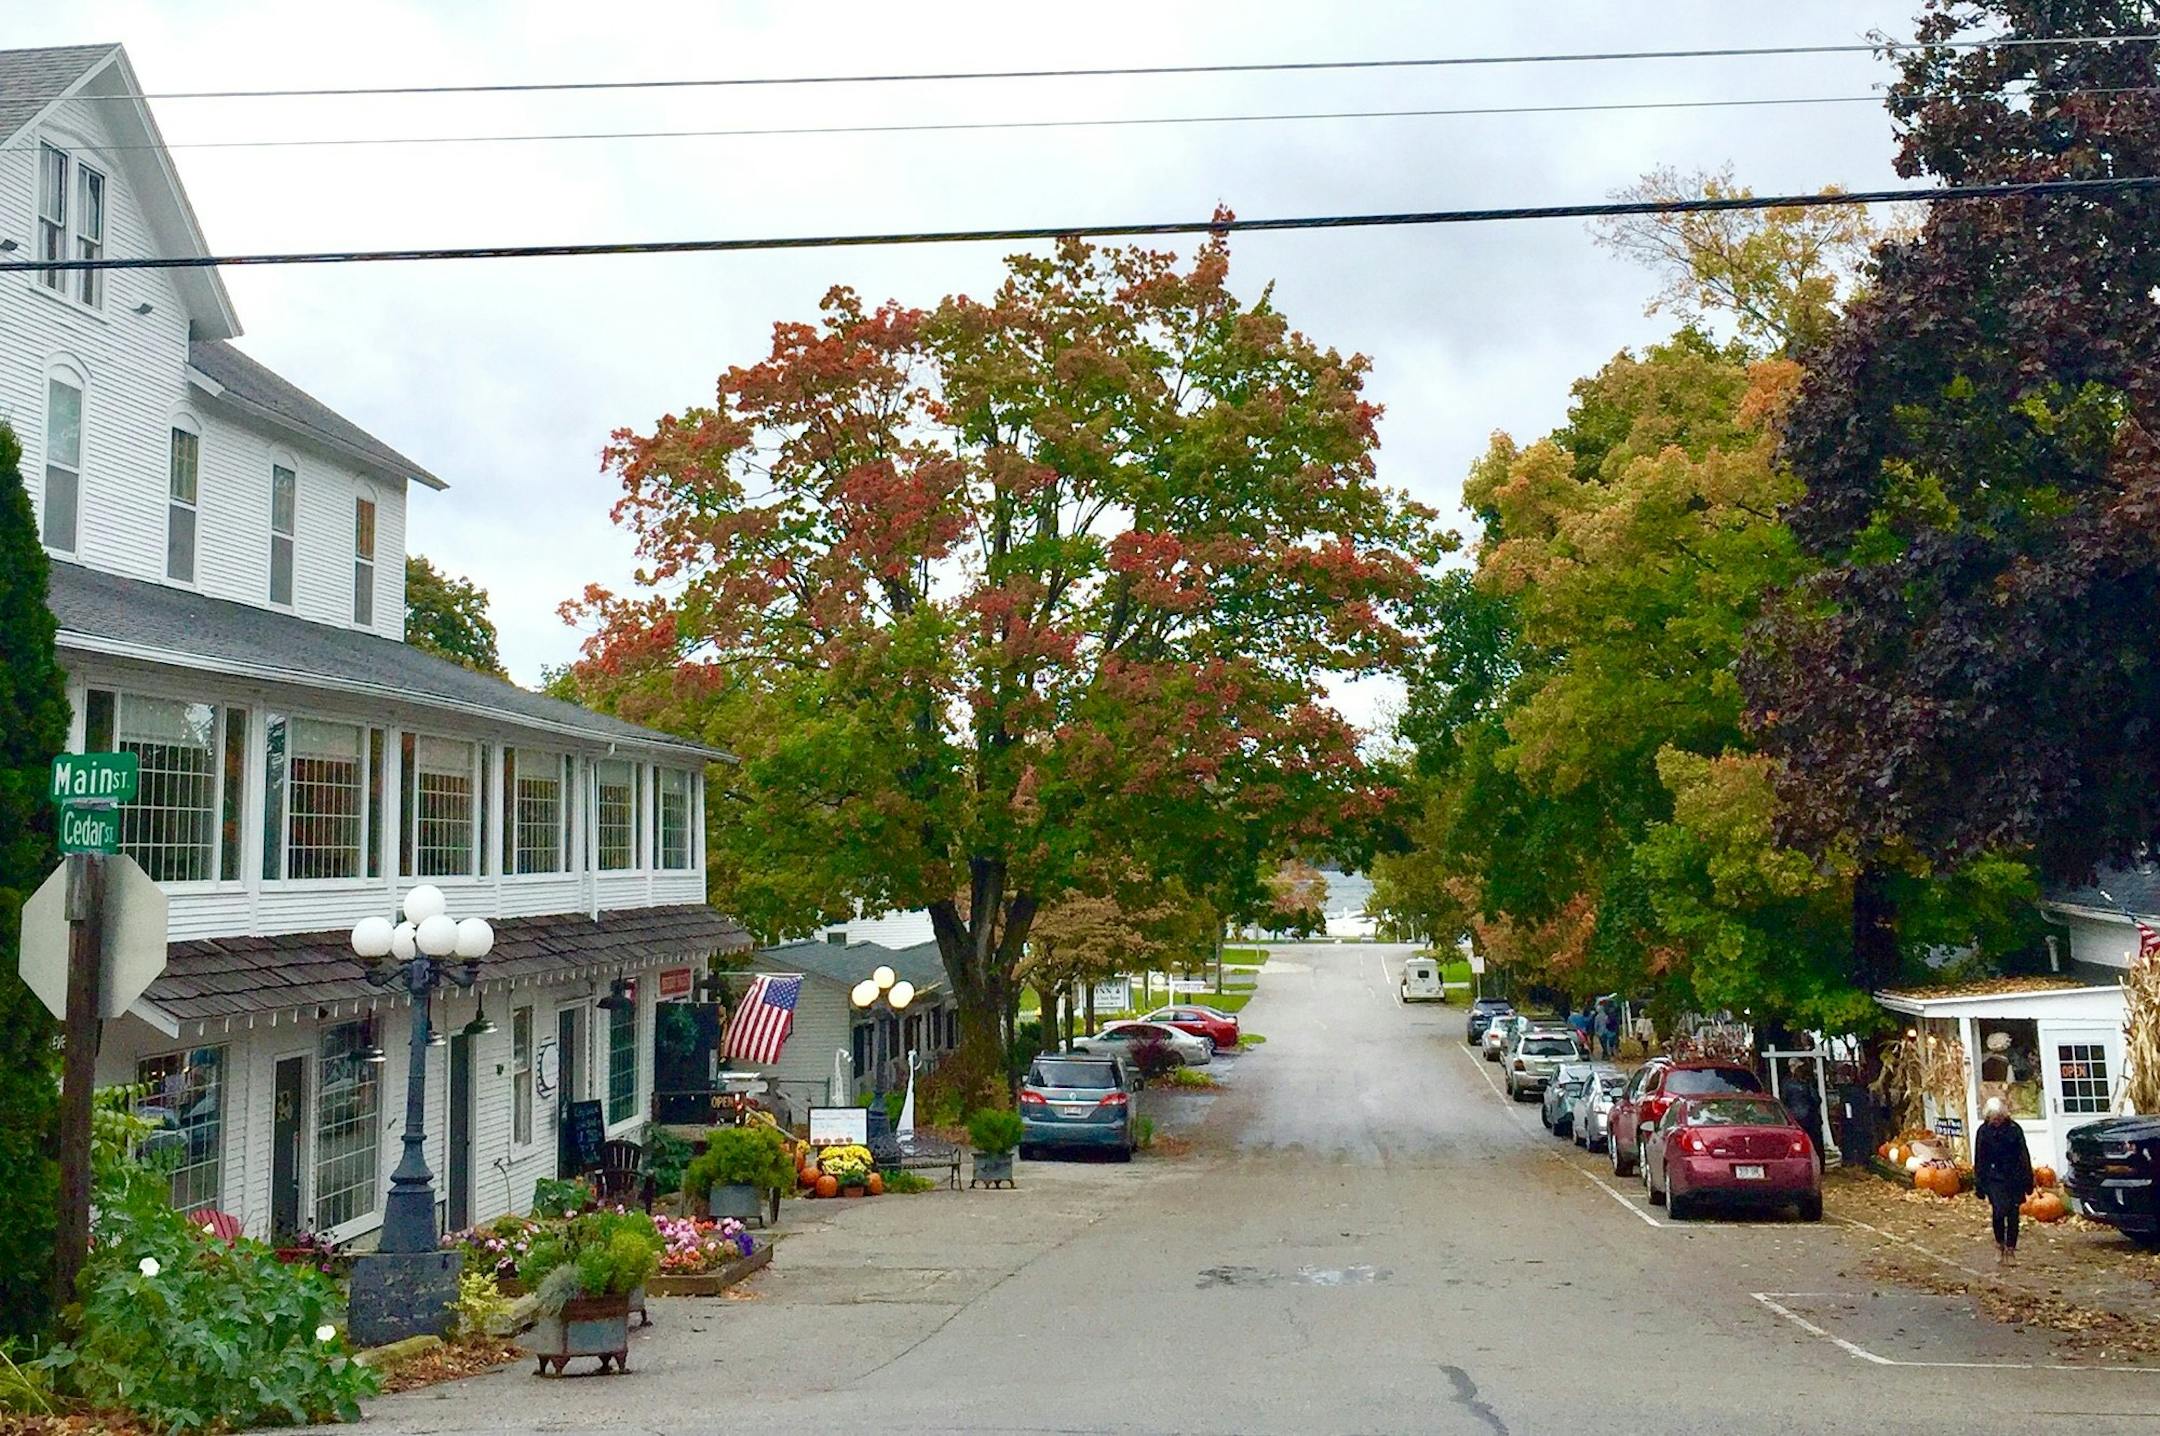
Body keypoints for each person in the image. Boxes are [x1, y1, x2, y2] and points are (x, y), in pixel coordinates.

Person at [1973, 1096, 2035, 1267]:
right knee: (1999, 1211)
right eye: (1994, 1117)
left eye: (1999, 1116)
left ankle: (2011, 1249)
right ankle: (1999, 1243)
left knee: (2013, 1214)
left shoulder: (2014, 1130)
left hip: (2014, 1177)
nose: (1997, 1120)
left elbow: (2023, 1156)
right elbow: (1980, 1158)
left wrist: (2028, 1180)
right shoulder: (1983, 1132)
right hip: (1994, 1177)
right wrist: (1979, 1182)